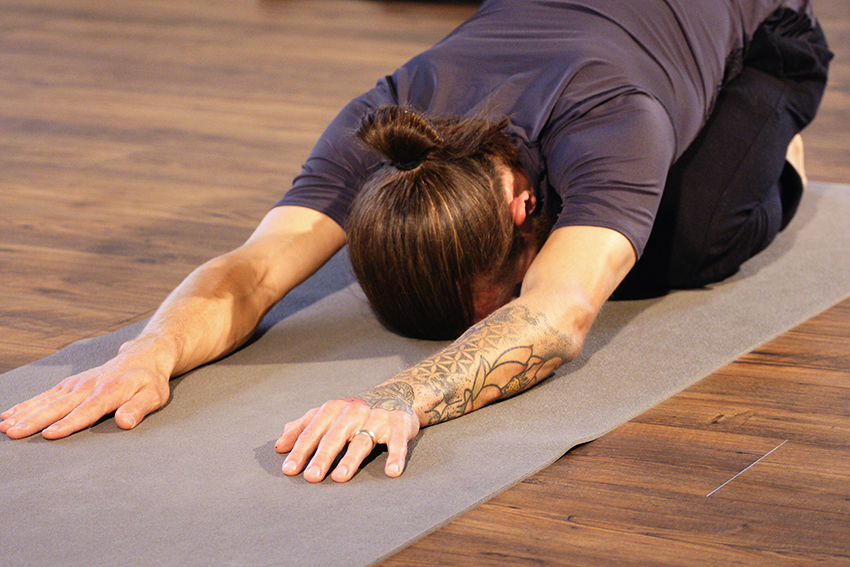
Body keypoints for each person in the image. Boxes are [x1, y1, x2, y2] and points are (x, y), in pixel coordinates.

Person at [1, 0, 831, 484]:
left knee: (663, 254)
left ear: (520, 208)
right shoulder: (385, 121)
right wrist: (148, 351)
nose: (491, 313)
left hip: (766, 36)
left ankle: (774, 138)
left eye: (491, 299)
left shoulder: (613, 119)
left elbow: (557, 314)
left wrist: (403, 396)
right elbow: (253, 271)